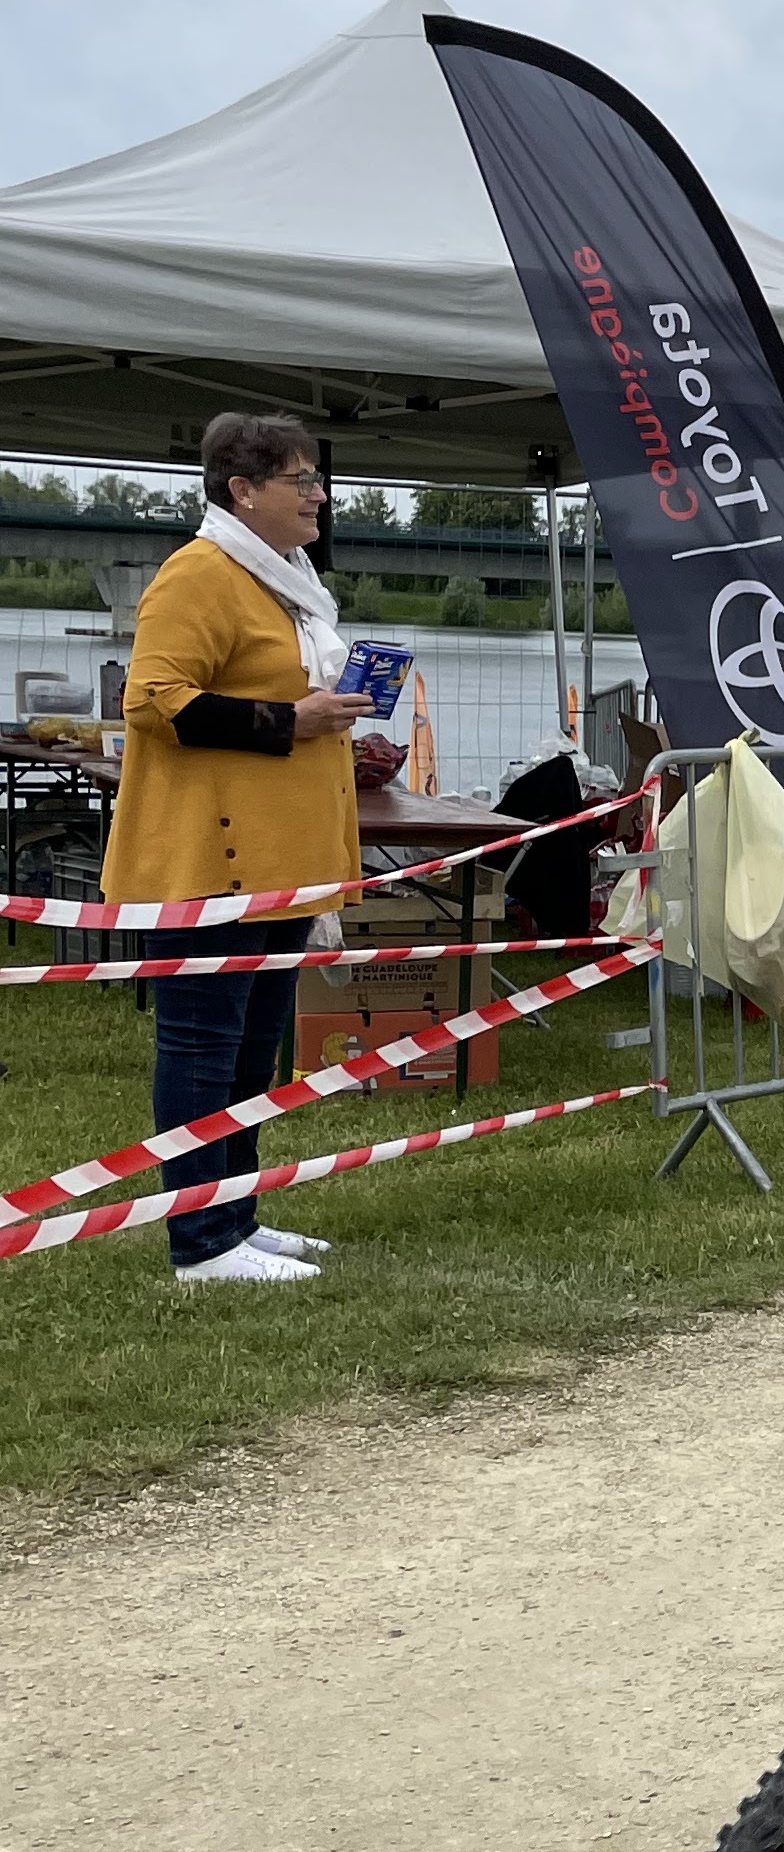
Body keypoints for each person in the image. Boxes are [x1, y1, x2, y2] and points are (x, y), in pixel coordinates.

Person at [102, 412, 371, 1281]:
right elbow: (154, 701)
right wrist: (290, 720)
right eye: (302, 481)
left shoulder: (283, 581)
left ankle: (237, 1217)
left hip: (279, 862)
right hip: (208, 862)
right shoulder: (200, 574)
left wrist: (329, 714)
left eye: (318, 480)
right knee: (201, 1047)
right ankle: (199, 1242)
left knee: (253, 1051)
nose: (319, 496)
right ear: (242, 491)